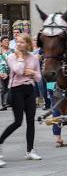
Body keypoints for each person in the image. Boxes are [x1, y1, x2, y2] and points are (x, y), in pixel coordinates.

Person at [0, 33, 42, 166]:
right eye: (17, 42)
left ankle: (30, 151)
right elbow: (18, 71)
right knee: (18, 122)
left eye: (22, 42)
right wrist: (20, 59)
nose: (18, 44)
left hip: (29, 90)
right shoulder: (12, 57)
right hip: (16, 90)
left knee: (31, 121)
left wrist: (32, 73)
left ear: (28, 44)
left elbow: (39, 78)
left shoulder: (34, 58)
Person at [0, 36, 13, 111]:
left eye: (8, 41)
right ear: (1, 43)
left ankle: (8, 102)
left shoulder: (12, 51)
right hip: (1, 72)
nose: (7, 42)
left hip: (11, 72)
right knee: (2, 88)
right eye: (5, 41)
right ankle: (3, 104)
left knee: (9, 87)